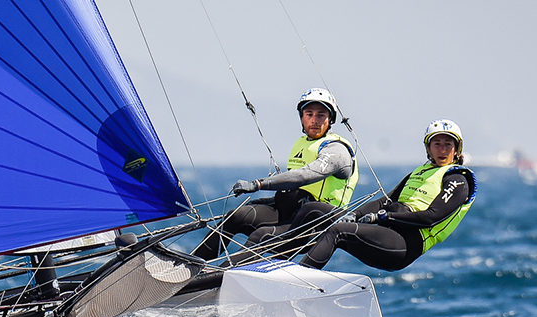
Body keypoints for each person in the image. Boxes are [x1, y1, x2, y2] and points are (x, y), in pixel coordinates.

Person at [193, 88, 359, 260]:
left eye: (321, 115)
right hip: (287, 216)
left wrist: (259, 184)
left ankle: (218, 277)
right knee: (236, 217)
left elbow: (304, 175)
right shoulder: (301, 143)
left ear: (330, 119)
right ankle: (191, 268)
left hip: (314, 227)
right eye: (309, 114)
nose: (314, 120)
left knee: (261, 236)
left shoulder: (337, 149)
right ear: (301, 117)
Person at [298, 119, 476, 271]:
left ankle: (300, 279)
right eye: (437, 144)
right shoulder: (421, 171)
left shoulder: (458, 179)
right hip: (385, 228)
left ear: (457, 149)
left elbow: (431, 218)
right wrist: (355, 215)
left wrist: (384, 217)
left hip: (406, 243)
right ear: (428, 149)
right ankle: (281, 261)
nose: (442, 149)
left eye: (448, 144)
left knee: (338, 231)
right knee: (316, 210)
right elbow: (386, 200)